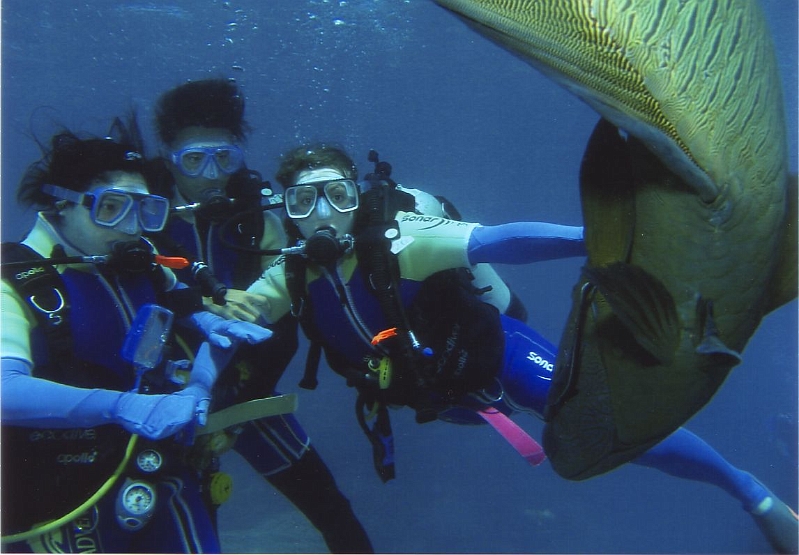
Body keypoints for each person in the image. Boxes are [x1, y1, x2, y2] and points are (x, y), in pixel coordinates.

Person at [246, 143, 798, 554]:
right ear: (286, 210)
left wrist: (601, 239)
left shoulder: (402, 238)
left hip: (495, 352)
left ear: (357, 198)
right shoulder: (288, 276)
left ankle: (751, 492)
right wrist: (200, 378)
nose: (322, 213)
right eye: (303, 200)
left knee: (601, 418)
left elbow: (500, 240)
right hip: (445, 396)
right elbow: (235, 314)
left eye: (337, 195)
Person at [0, 121, 271, 553]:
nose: (131, 228)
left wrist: (201, 381)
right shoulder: (13, 282)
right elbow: (5, 391)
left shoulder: (145, 268)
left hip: (159, 474)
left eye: (144, 211)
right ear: (61, 205)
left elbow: (204, 327)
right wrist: (120, 405)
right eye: (111, 208)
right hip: (48, 494)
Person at [144, 78, 373, 553]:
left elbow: (283, 331)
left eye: (224, 159)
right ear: (168, 158)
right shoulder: (140, 216)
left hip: (245, 395)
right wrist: (200, 304)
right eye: (193, 160)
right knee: (179, 523)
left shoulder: (261, 219)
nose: (211, 176)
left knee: (330, 507)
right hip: (152, 402)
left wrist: (234, 408)